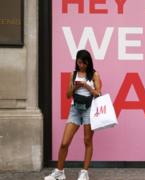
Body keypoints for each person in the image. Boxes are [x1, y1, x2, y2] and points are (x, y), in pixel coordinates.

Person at [45, 50, 101, 180]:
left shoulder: (94, 74)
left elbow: (97, 93)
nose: (81, 65)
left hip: (89, 110)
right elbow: (68, 95)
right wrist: (76, 86)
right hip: (75, 109)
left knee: (87, 141)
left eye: (84, 63)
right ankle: (59, 172)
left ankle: (84, 172)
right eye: (79, 62)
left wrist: (86, 86)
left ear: (88, 62)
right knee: (64, 142)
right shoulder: (73, 74)